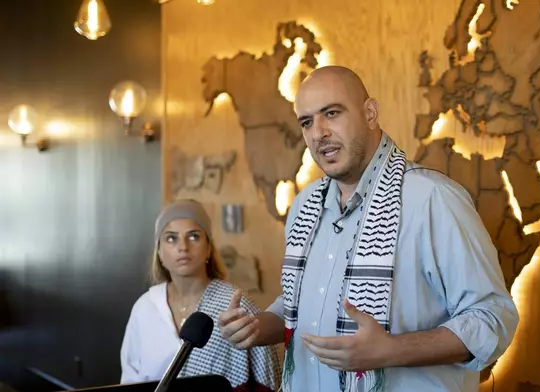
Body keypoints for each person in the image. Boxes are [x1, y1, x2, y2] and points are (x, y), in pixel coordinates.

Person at [218, 66, 519, 392]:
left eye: (331, 113)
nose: (318, 133)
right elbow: (303, 306)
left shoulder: (432, 200)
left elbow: (493, 319)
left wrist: (391, 350)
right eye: (307, 122)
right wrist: (261, 327)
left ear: (370, 113)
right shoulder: (304, 206)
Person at [120, 199, 281, 391]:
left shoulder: (235, 307)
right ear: (159, 252)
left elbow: (265, 380)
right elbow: (129, 377)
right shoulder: (144, 308)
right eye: (171, 238)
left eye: (194, 236)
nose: (183, 247)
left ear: (209, 248)